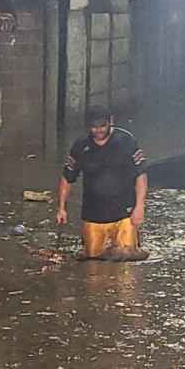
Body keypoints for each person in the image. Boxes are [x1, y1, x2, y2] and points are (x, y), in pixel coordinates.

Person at [56, 105, 149, 261]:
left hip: (124, 214)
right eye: (93, 127)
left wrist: (140, 206)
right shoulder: (81, 146)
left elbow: (141, 175)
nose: (98, 130)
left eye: (102, 126)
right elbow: (67, 177)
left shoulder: (126, 141)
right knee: (92, 259)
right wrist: (61, 208)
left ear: (110, 122)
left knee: (127, 260)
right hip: (93, 214)